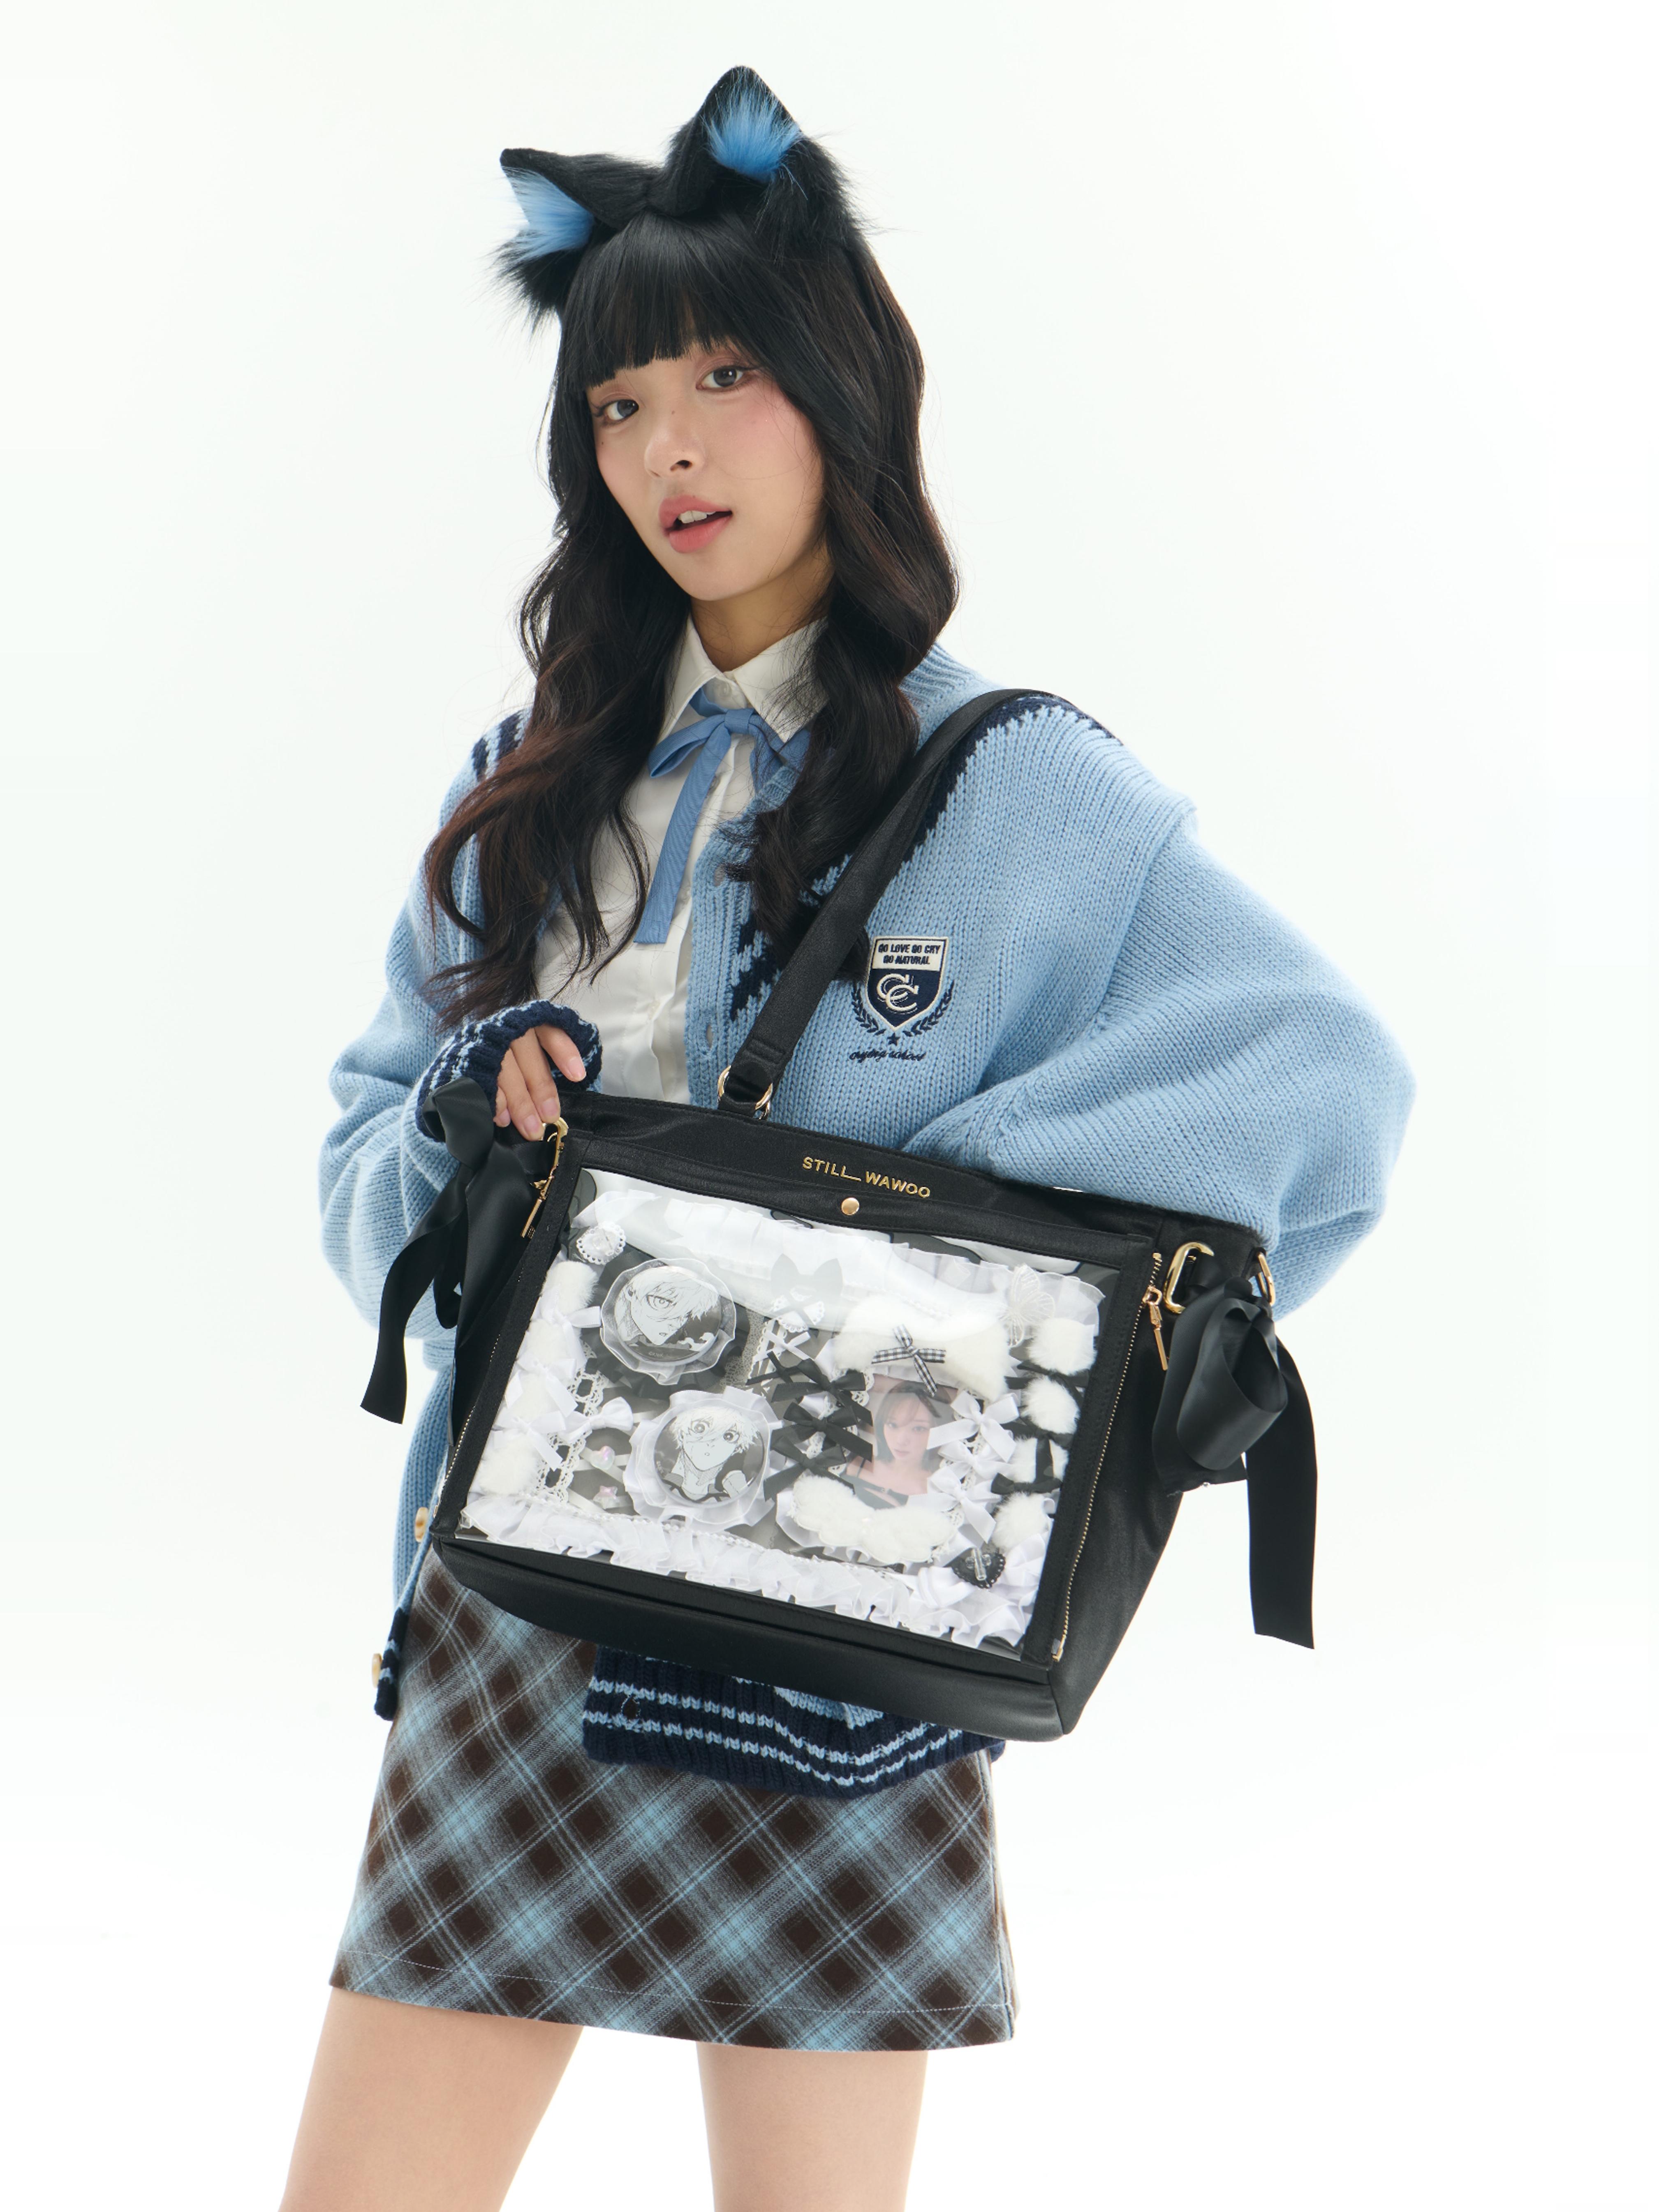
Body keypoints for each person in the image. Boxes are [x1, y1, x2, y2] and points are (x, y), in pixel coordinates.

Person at [286, 67, 1413, 2212]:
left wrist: (902, 1244)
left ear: (842, 389)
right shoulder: (525, 787)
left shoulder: (1015, 787)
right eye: (619, 402)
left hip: (844, 1605)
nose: (671, 449)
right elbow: (361, 1152)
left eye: (725, 376)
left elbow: (1320, 1076)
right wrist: (464, 1125)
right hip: (534, 1593)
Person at [849, 1387, 946, 1508]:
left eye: (918, 1429)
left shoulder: (939, 1491)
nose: (901, 1441)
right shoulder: (859, 1463)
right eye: (893, 1425)